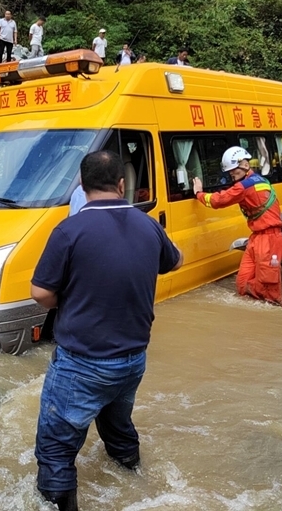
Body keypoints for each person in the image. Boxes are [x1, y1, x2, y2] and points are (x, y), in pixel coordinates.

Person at [32, 151, 183, 511]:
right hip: (132, 361)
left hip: (82, 363)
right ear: (121, 184)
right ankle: (139, 485)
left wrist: (69, 300)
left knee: (56, 448)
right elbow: (175, 260)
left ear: (82, 186)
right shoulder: (148, 224)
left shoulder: (69, 230)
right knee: (117, 427)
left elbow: (40, 293)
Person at [193, 146, 282, 306]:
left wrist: (199, 193)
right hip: (257, 237)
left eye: (233, 170)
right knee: (242, 284)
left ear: (244, 165)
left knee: (270, 292)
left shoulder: (244, 186)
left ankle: (276, 313)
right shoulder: (259, 180)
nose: (231, 174)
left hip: (269, 239)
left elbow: (218, 201)